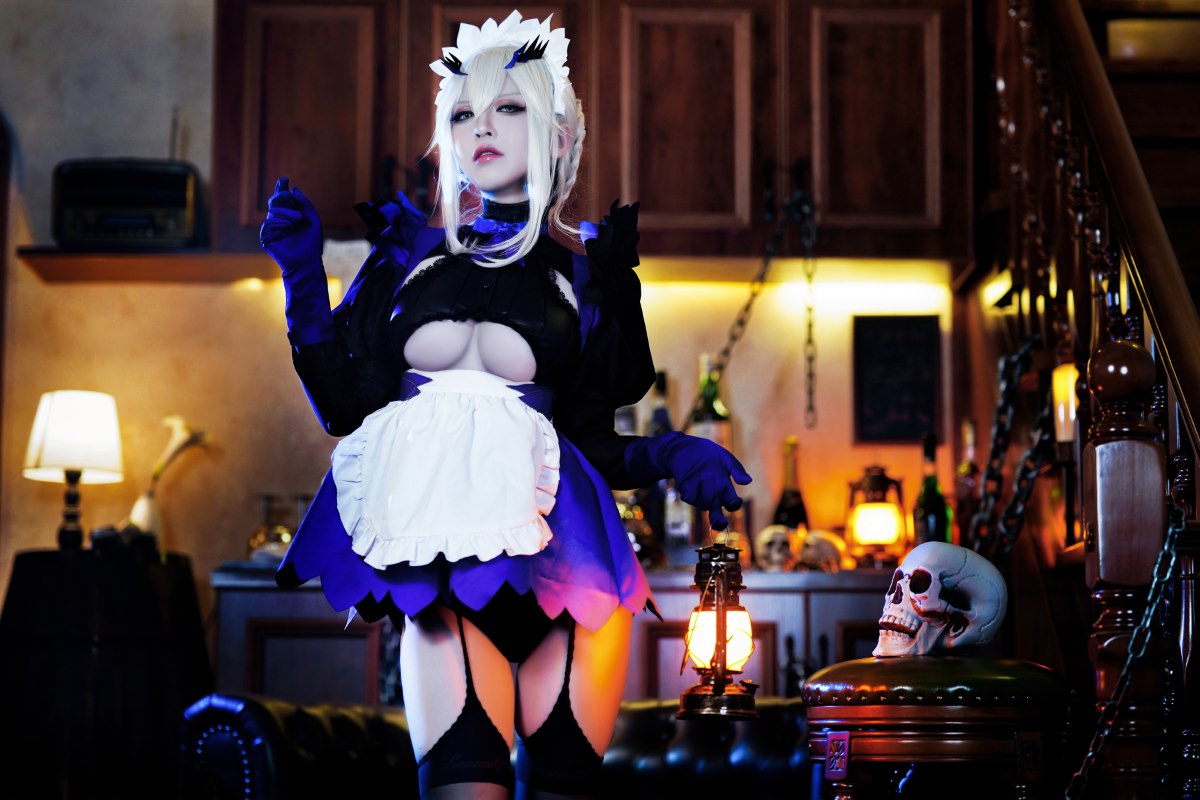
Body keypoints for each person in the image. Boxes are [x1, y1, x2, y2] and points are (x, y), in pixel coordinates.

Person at [259, 12, 751, 799]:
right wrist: (300, 278)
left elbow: (588, 443)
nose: (480, 126)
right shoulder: (404, 262)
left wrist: (669, 453)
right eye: (462, 113)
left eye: (508, 107)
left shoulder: (588, 278)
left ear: (559, 136)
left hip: (569, 576)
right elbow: (346, 410)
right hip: (440, 579)